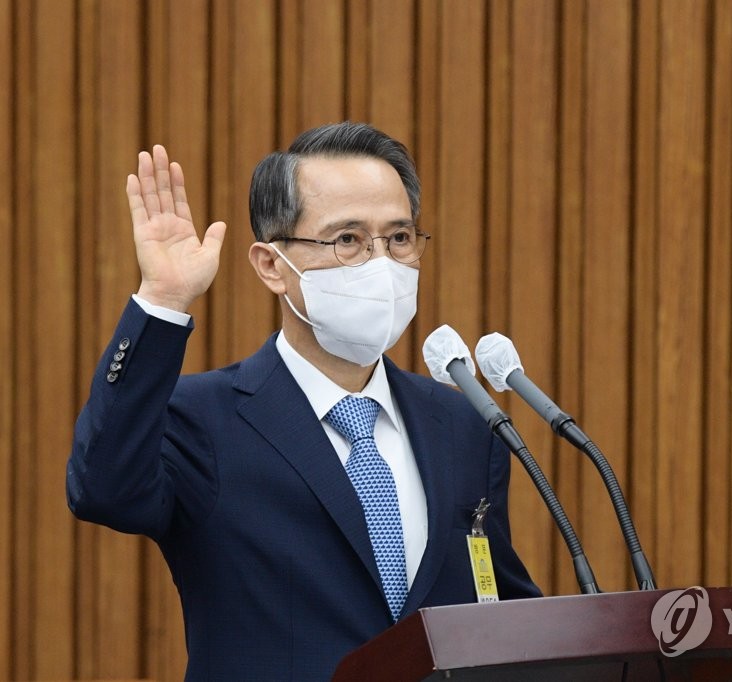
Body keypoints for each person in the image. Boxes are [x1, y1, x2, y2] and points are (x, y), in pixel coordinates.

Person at [67, 122, 540, 680]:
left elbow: (502, 609)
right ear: (272, 265)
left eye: (400, 238)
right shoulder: (202, 419)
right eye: (347, 240)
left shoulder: (463, 420)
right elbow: (103, 490)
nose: (380, 262)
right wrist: (164, 300)